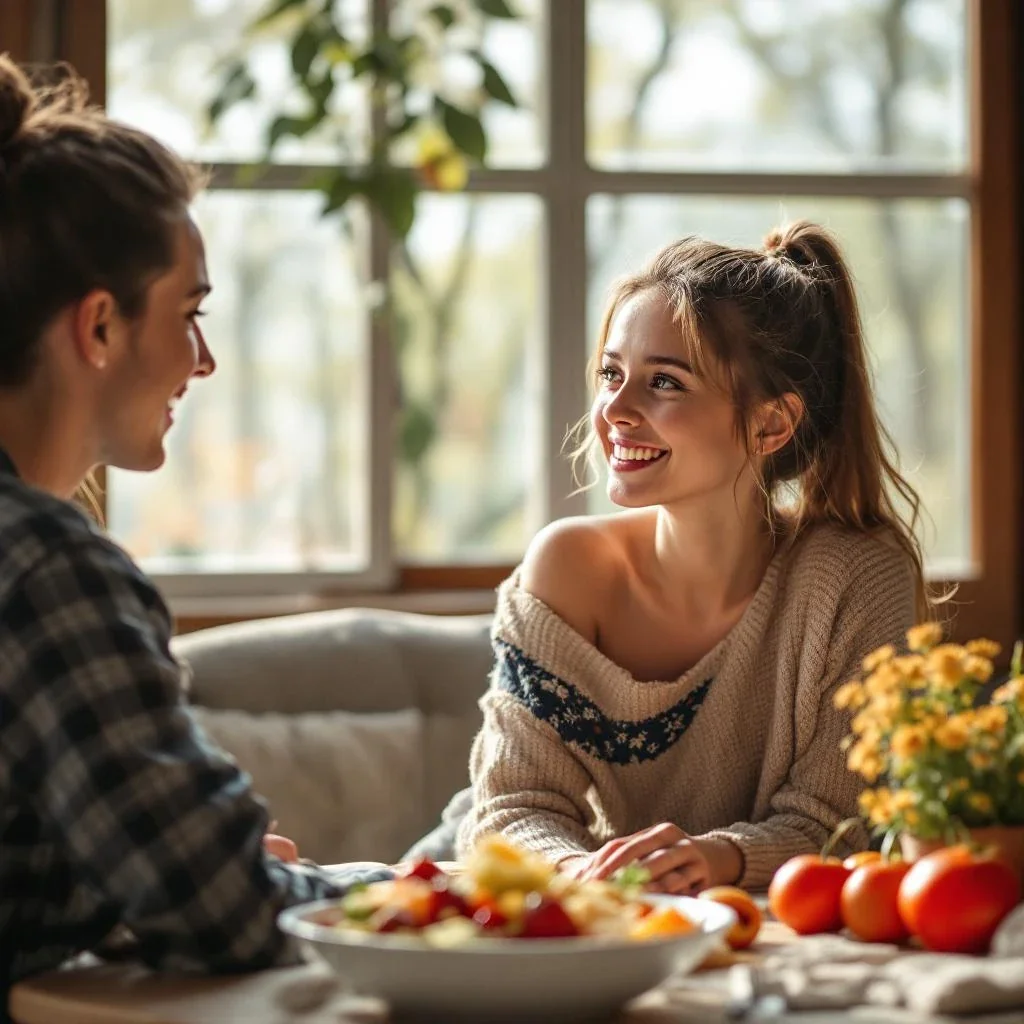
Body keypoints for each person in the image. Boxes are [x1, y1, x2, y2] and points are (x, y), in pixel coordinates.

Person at [0, 56, 385, 1009]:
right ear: (99, 327)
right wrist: (401, 890)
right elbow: (224, 909)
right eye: (190, 313)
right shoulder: (46, 568)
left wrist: (131, 881)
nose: (203, 362)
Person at [447, 220, 927, 893]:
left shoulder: (856, 578)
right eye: (612, 373)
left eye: (664, 383)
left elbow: (841, 824)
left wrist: (714, 858)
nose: (614, 409)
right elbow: (512, 808)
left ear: (770, 424)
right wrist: (582, 873)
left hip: (718, 906)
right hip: (540, 881)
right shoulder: (566, 569)